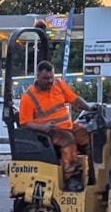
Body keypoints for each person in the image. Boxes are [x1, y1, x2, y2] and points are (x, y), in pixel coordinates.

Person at [18, 60, 96, 191]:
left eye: (51, 77)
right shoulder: (29, 97)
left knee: (89, 137)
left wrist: (89, 108)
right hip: (48, 132)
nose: (49, 81)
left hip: (68, 126)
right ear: (37, 77)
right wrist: (43, 127)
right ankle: (72, 178)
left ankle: (93, 174)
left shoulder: (59, 85)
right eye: (46, 78)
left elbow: (74, 99)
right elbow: (24, 123)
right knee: (68, 140)